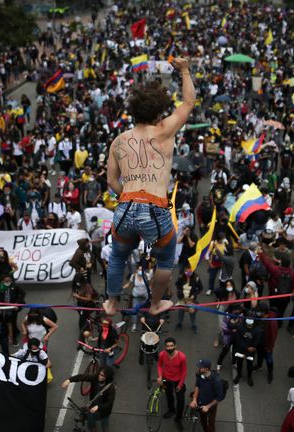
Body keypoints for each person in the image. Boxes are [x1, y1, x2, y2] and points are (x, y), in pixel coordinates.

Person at [105, 57, 196, 317]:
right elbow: (188, 102)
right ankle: (155, 303)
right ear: (158, 112)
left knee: (117, 257)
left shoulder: (119, 141)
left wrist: (128, 199)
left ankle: (111, 303)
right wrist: (185, 69)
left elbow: (112, 182)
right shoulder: (164, 130)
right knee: (166, 259)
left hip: (125, 207)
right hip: (155, 209)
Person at [61, 366, 116, 432]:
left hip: (104, 411)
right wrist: (69, 380)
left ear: (108, 377)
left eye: (103, 376)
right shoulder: (95, 378)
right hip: (93, 406)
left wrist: (98, 407)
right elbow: (82, 376)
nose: (101, 377)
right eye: (100, 374)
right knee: (91, 420)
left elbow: (109, 403)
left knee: (105, 425)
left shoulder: (111, 388)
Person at [157, 337, 187, 430]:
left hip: (178, 380)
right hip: (167, 379)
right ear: (165, 347)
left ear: (175, 346)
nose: (169, 348)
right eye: (167, 346)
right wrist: (160, 376)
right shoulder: (162, 354)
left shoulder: (181, 357)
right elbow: (159, 366)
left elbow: (184, 371)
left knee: (180, 400)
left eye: (171, 346)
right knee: (169, 395)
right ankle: (171, 410)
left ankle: (178, 418)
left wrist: (180, 384)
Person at [189, 359, 225, 432]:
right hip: (200, 402)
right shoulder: (200, 374)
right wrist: (194, 399)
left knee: (210, 424)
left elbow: (219, 398)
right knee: (203, 420)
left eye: (200, 367)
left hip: (210, 406)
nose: (198, 368)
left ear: (206, 369)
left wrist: (207, 406)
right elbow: (197, 385)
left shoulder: (216, 381)